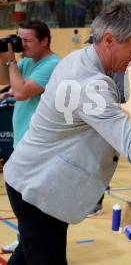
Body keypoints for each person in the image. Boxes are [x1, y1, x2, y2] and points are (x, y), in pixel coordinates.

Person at [3, 1, 131, 264]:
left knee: (26, 256)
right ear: (110, 40)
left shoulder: (79, 59)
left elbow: (118, 95)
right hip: (39, 188)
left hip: (34, 178)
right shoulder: (90, 85)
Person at [0, 20, 60, 254]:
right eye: (19, 39)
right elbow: (6, 81)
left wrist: (12, 60)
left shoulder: (53, 64)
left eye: (27, 41)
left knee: (32, 202)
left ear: (44, 41)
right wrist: (5, 55)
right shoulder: (27, 61)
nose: (21, 44)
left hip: (38, 145)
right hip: (23, 141)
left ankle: (33, 245)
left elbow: (21, 92)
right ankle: (25, 241)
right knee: (22, 200)